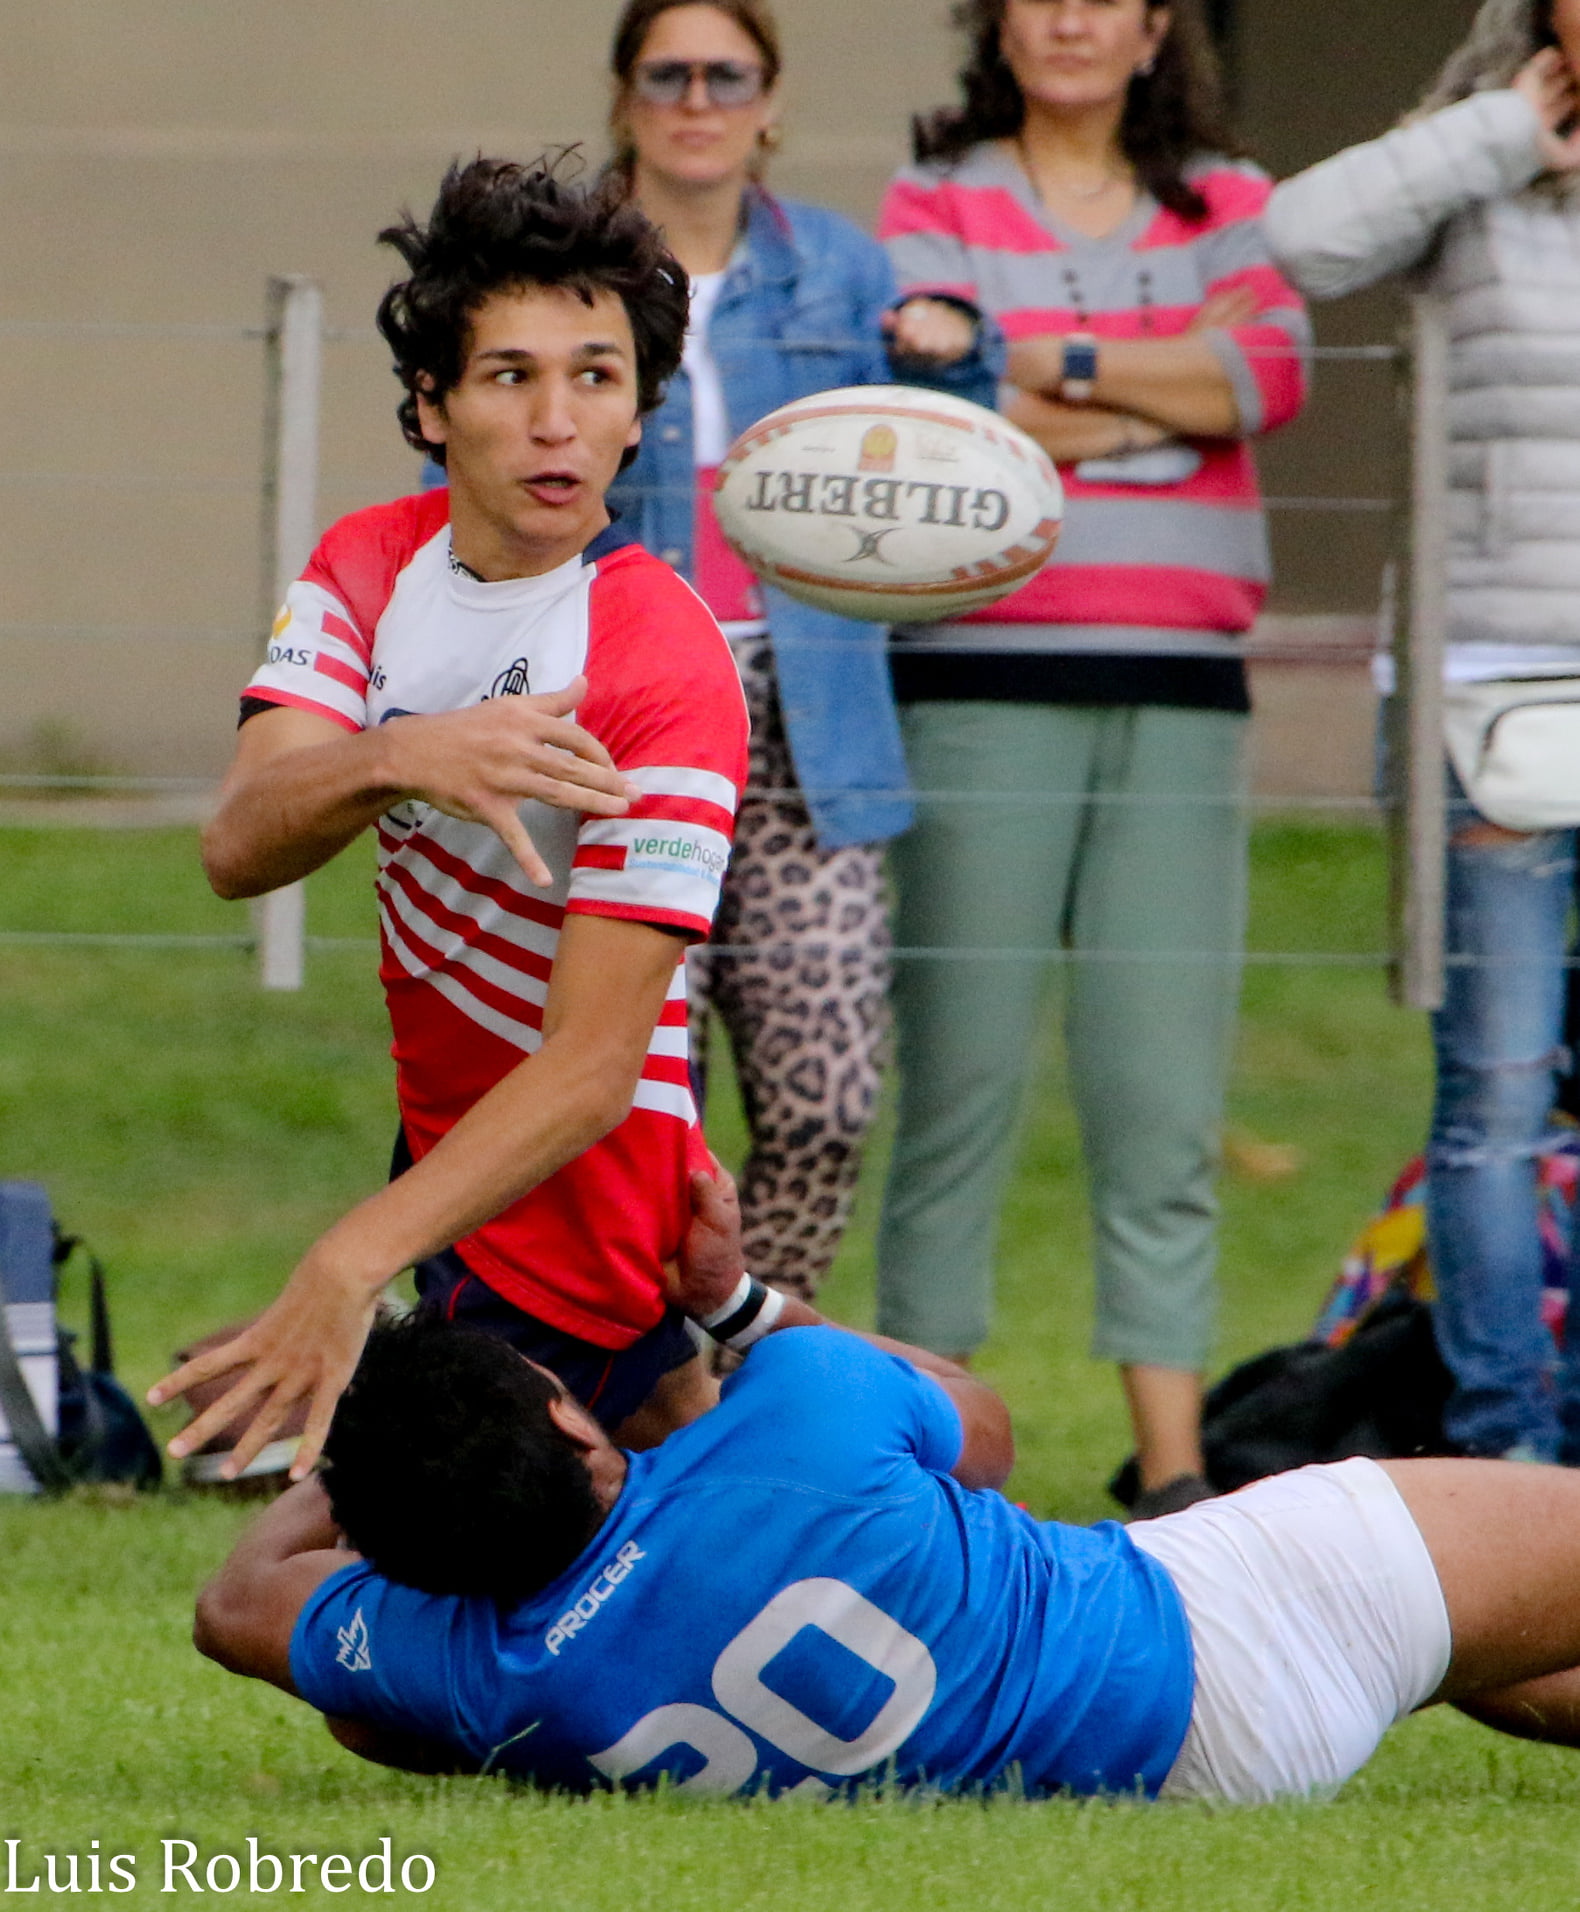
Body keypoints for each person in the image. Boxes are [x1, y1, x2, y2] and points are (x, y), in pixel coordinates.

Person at [198, 1163, 1580, 1804]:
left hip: (1204, 1776)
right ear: (570, 1418)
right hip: (1210, 1627)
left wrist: (354, 1449)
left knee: (1477, 1643)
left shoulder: (476, 1671)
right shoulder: (790, 1431)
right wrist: (739, 1306)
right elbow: (984, 1428)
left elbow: (235, 1602)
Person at [147, 156, 750, 1478]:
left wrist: (350, 1259)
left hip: (575, 1198)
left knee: (276, 1602)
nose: (557, 422)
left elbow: (593, 1071)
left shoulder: (663, 661)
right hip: (455, 1150)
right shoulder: (367, 563)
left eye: (596, 377)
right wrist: (403, 755)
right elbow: (238, 846)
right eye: (509, 376)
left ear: (640, 415)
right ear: (432, 406)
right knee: (690, 1504)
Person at [871, 0, 1310, 1516]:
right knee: (959, 1089)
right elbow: (941, 413)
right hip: (977, 685)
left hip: (1182, 695)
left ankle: (1175, 1476)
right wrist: (1153, 382)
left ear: (1153, 26)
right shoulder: (936, 198)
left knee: (1161, 1100)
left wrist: (1054, 369)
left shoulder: (1231, 200)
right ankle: (922, 1466)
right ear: (996, 22)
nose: (1069, 16)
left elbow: (1264, 380)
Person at [603, 0, 1000, 1302]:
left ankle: (754, 1361)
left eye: (729, 74)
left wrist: (951, 349)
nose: (697, 98)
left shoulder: (840, 266)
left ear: (771, 103)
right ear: (624, 97)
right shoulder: (572, 268)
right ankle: (637, 1392)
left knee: (824, 1096)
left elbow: (952, 455)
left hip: (805, 714)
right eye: (668, 73)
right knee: (632, 1101)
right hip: (625, 716)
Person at [1265, 0, 1580, 1464]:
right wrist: (1502, 129)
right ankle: (1512, 1446)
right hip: (1490, 689)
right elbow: (1305, 234)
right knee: (1499, 1096)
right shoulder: (1477, 161)